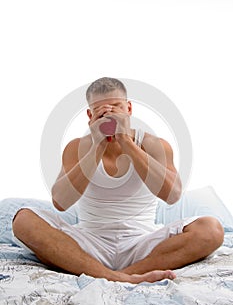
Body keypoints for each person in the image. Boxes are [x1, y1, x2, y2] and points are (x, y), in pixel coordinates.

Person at [12, 77, 224, 284]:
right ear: (90, 115)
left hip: (143, 244)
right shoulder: (77, 147)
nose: (110, 115)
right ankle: (120, 278)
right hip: (89, 244)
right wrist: (97, 146)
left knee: (211, 229)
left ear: (129, 109)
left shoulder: (154, 144)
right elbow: (60, 202)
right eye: (101, 110)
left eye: (116, 107)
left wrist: (125, 141)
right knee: (23, 220)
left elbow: (172, 194)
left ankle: (117, 275)